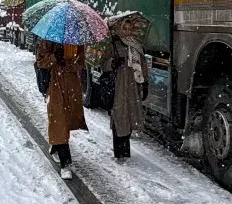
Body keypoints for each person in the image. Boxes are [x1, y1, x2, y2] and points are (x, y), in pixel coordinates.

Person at [35, 38, 88, 179]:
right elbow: (40, 62)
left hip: (71, 85)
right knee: (58, 120)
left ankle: (56, 144)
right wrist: (55, 57)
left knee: (68, 119)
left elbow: (81, 63)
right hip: (54, 83)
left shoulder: (77, 40)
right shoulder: (48, 39)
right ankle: (66, 163)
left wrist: (72, 64)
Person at [101, 13, 149, 160]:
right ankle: (118, 151)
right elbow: (103, 64)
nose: (127, 31)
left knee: (129, 115)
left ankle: (126, 150)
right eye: (125, 28)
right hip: (118, 85)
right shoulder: (113, 45)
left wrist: (145, 82)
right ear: (120, 29)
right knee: (118, 116)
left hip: (132, 86)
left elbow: (142, 65)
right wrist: (113, 63)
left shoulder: (136, 46)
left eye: (130, 28)